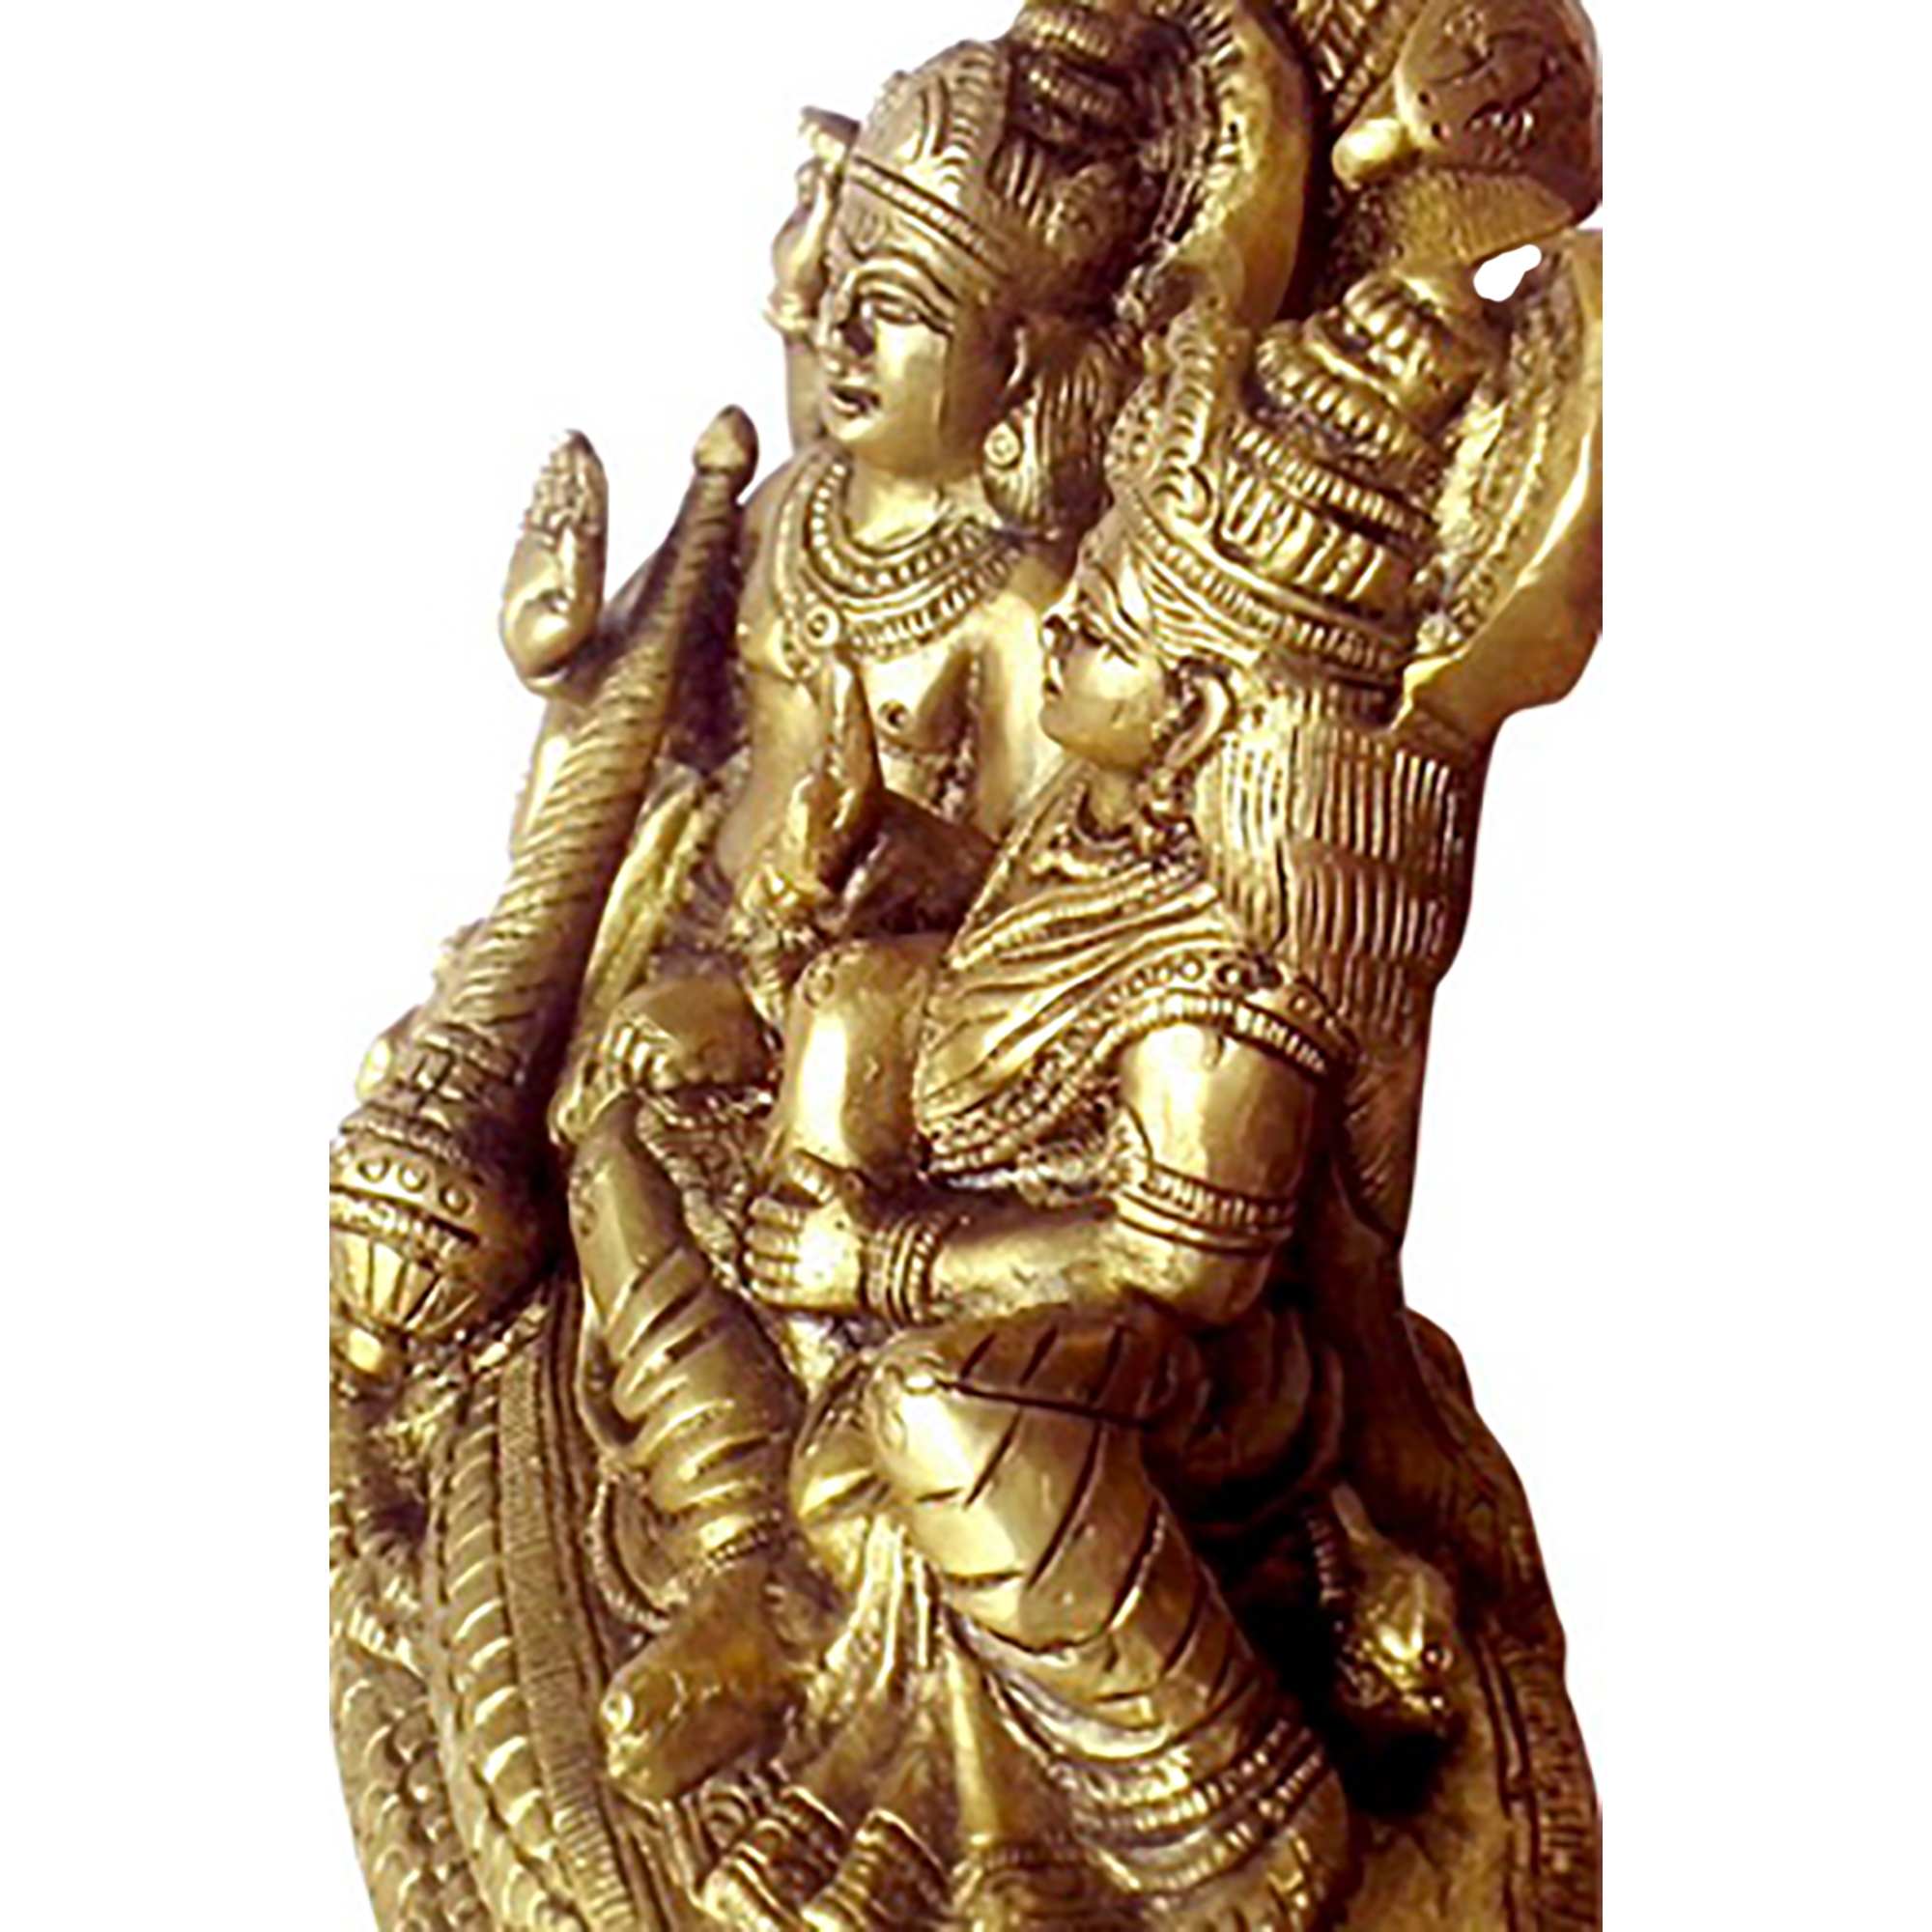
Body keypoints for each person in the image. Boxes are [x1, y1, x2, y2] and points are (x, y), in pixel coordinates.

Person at [555, 0, 1318, 1816]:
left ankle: (789, 1569)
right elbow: (678, 712)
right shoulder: (791, 516)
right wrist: (574, 660)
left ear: (1025, 364)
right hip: (739, 958)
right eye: (833, 294)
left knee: (761, 1149)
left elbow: (1046, 897)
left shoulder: (1031, 602)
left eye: (887, 311)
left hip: (915, 1046)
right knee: (603, 1149)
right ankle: (735, 1523)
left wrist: (874, 894)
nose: (831, 338)